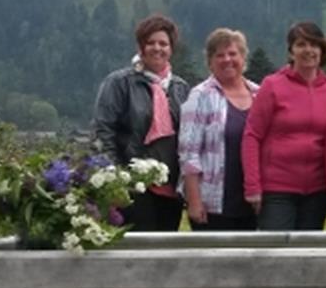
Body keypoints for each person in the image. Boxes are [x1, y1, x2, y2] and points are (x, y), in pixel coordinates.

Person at [92, 13, 190, 231]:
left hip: (171, 191)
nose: (157, 48)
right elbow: (102, 133)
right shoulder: (119, 83)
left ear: (171, 49)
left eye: (163, 43)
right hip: (131, 189)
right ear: (140, 47)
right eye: (150, 42)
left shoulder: (181, 89)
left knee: (166, 248)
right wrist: (116, 180)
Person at [242, 21, 326, 231]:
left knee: (308, 250)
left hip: (317, 191)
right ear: (291, 51)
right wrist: (252, 186)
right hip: (277, 189)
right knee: (276, 249)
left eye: (314, 45)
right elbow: (252, 135)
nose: (308, 50)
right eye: (301, 44)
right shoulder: (272, 85)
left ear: (322, 50)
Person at [177, 28, 260, 231]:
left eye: (233, 54)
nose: (227, 60)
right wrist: (194, 201)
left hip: (254, 202)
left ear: (243, 57)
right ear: (210, 62)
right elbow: (188, 153)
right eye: (220, 55)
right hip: (212, 204)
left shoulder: (260, 94)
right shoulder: (200, 96)